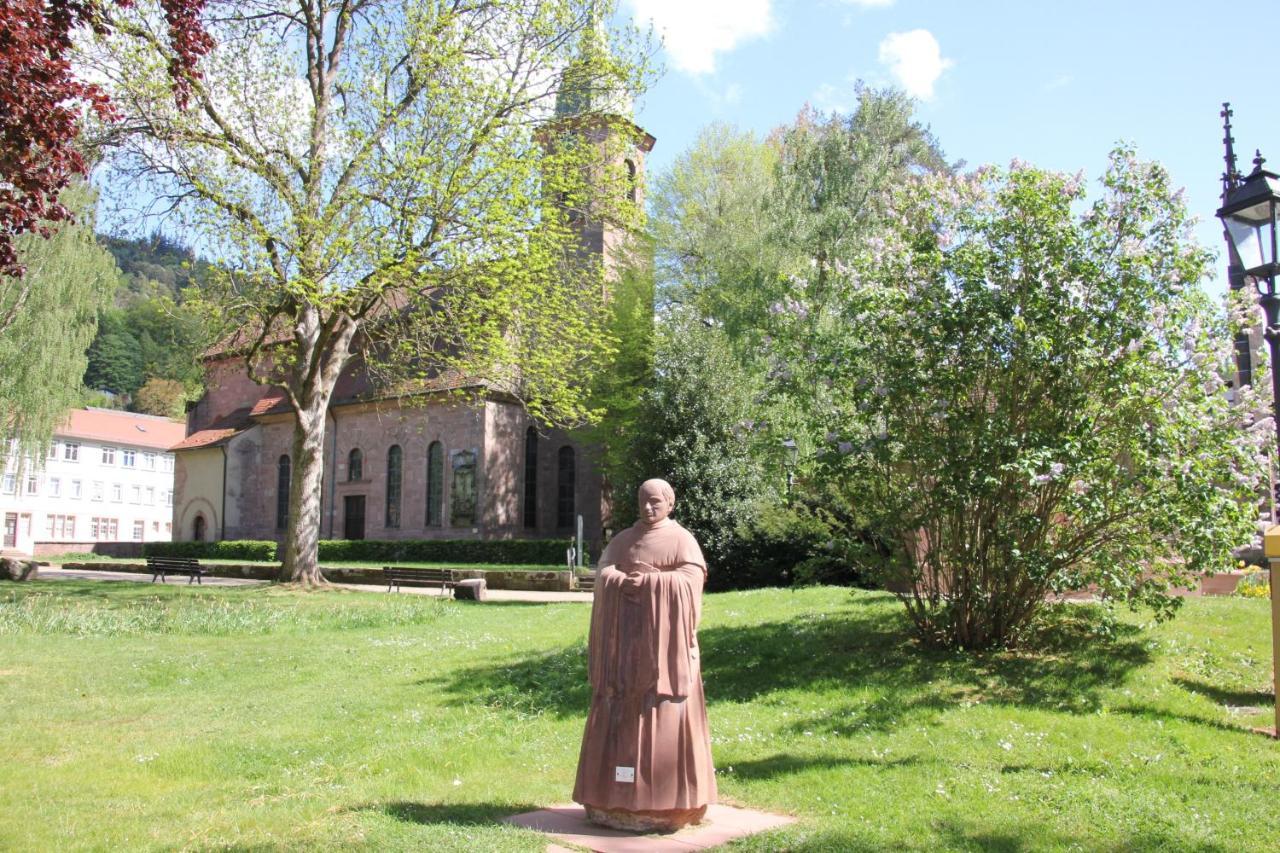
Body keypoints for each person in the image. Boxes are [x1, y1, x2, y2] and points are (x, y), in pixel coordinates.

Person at [572, 478, 716, 832]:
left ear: (670, 503)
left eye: (655, 502)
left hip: (663, 658)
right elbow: (604, 572)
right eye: (643, 501)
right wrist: (619, 581)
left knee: (664, 715)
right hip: (623, 654)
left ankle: (669, 804)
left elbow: (691, 580)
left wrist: (652, 583)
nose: (648, 508)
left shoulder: (682, 540)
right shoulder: (624, 539)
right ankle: (609, 801)